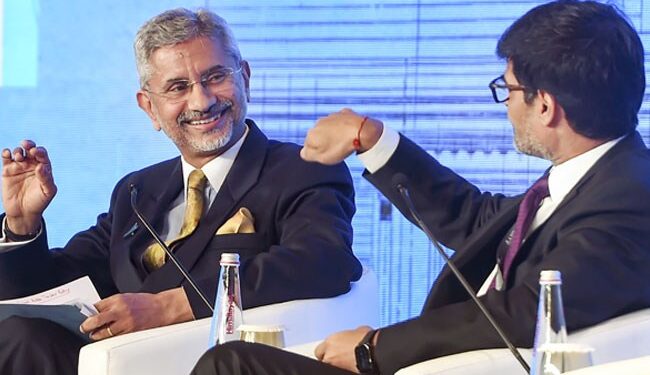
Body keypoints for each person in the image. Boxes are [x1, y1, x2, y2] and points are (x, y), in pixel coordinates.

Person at [190, 1, 650, 374]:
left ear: (545, 105)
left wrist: (376, 347)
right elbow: (476, 219)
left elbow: (526, 312)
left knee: (229, 365)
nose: (506, 105)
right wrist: (370, 138)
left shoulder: (628, 200)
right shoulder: (596, 177)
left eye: (506, 89)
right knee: (231, 361)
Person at [0, 8, 362, 375]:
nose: (202, 101)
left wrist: (168, 306)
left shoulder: (300, 169)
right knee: (20, 333)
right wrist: (21, 223)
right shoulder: (136, 190)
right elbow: (53, 292)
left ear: (245, 79)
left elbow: (323, 260)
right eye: (178, 87)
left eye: (215, 77)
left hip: (211, 362)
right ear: (150, 108)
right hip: (117, 362)